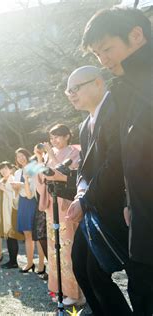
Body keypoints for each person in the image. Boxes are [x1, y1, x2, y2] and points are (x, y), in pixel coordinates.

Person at [81, 7, 153, 314]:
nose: (104, 61)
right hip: (141, 216)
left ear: (136, 36)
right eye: (98, 54)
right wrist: (128, 201)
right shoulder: (125, 90)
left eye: (107, 49)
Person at [65, 66, 132, 315]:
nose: (71, 94)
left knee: (99, 273)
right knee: (81, 267)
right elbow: (85, 167)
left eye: (76, 88)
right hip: (93, 204)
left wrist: (86, 199)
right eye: (67, 90)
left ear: (98, 83)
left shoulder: (117, 109)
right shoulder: (84, 125)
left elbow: (115, 163)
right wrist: (81, 194)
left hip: (118, 203)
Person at [36, 124, 83, 306]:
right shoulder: (48, 153)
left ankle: (77, 292)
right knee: (55, 246)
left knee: (68, 246)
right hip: (52, 204)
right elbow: (43, 176)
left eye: (58, 137)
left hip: (66, 203)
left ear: (68, 136)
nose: (54, 140)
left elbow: (66, 175)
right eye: (52, 137)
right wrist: (41, 159)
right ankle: (60, 288)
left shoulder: (75, 151)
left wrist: (52, 155)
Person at [13, 148, 45, 273]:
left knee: (38, 235)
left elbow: (31, 191)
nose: (21, 158)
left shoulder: (34, 169)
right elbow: (17, 193)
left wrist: (21, 185)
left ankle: (42, 264)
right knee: (27, 234)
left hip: (33, 203)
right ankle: (30, 262)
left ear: (27, 156)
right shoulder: (17, 172)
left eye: (22, 155)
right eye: (18, 157)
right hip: (22, 203)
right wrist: (16, 189)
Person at [0, 161, 24, 269]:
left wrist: (5, 189)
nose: (3, 171)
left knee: (12, 236)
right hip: (4, 211)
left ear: (10, 169)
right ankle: (11, 260)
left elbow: (15, 197)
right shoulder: (2, 180)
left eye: (6, 168)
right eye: (1, 169)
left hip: (11, 210)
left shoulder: (12, 179)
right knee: (8, 237)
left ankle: (14, 262)